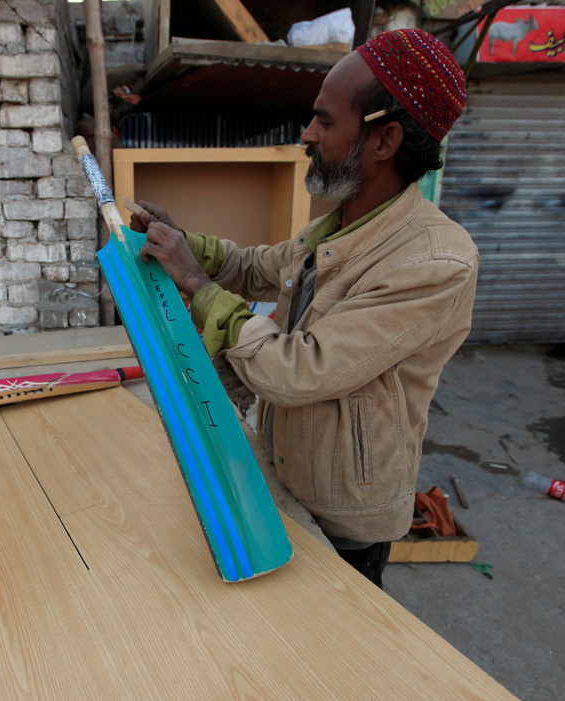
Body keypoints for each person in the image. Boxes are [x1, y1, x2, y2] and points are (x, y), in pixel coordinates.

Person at [128, 29, 478, 587]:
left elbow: (297, 370)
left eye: (326, 121)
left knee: (330, 652)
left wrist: (196, 284)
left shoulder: (434, 263)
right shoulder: (337, 224)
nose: (307, 134)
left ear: (384, 141)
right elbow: (256, 267)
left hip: (345, 514)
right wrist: (187, 244)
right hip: (287, 471)